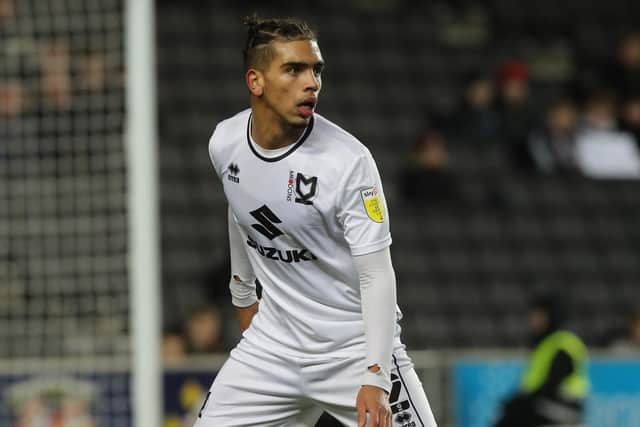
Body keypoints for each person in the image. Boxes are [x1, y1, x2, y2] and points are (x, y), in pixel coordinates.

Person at [196, 15, 437, 427]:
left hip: (353, 351)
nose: (311, 82)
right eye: (294, 69)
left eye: (316, 69)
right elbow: (241, 210)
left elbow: (377, 275)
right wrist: (243, 295)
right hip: (273, 346)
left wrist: (376, 376)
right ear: (256, 81)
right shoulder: (225, 142)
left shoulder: (348, 162)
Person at [493, 295, 589, 427]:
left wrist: (520, 402)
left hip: (565, 406)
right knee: (514, 412)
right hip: (546, 404)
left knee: (514, 415)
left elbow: (552, 383)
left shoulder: (564, 343)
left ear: (550, 316)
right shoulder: (544, 344)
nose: (533, 320)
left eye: (538, 316)